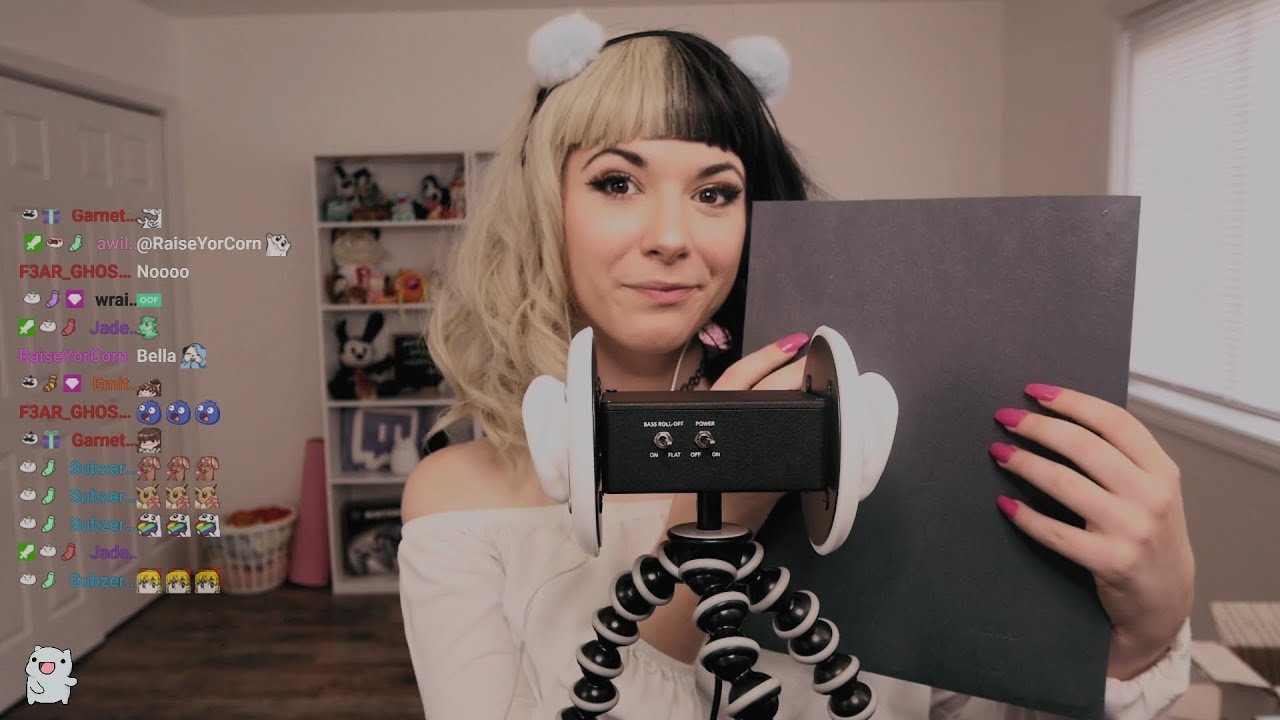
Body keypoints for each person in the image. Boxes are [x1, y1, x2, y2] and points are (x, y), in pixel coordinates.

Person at [398, 12, 1195, 719]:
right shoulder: (457, 501)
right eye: (617, 182)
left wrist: (1139, 641)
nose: (671, 237)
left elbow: (967, 700)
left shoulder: (864, 439)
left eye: (715, 193)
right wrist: (709, 531)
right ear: (545, 204)